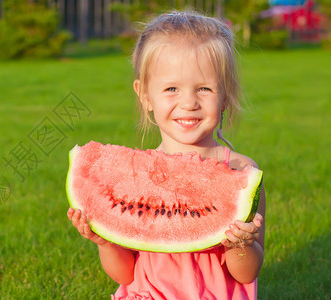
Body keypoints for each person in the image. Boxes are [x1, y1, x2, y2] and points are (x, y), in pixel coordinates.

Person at [67, 11, 266, 300]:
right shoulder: (134, 179)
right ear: (145, 95)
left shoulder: (242, 173)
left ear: (225, 96)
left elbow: (246, 274)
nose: (188, 102)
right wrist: (106, 241)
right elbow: (126, 275)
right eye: (171, 88)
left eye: (204, 89)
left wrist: (242, 244)